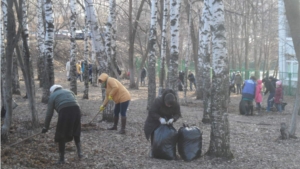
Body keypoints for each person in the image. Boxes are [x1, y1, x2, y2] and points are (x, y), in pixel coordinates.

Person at [42, 85, 82, 164]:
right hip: (77, 110)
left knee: (61, 134)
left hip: (65, 111)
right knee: (76, 131)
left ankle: (61, 159)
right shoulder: (69, 91)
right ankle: (80, 153)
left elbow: (49, 114)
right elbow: (75, 102)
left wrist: (45, 127)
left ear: (52, 91)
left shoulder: (52, 96)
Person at [144, 89, 182, 157]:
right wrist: (160, 118)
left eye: (170, 105)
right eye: (167, 104)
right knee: (156, 134)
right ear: (164, 101)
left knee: (168, 135)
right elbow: (152, 112)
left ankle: (165, 150)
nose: (169, 106)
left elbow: (178, 114)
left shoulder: (175, 103)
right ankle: (154, 150)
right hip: (154, 120)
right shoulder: (158, 101)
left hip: (167, 120)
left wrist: (173, 119)